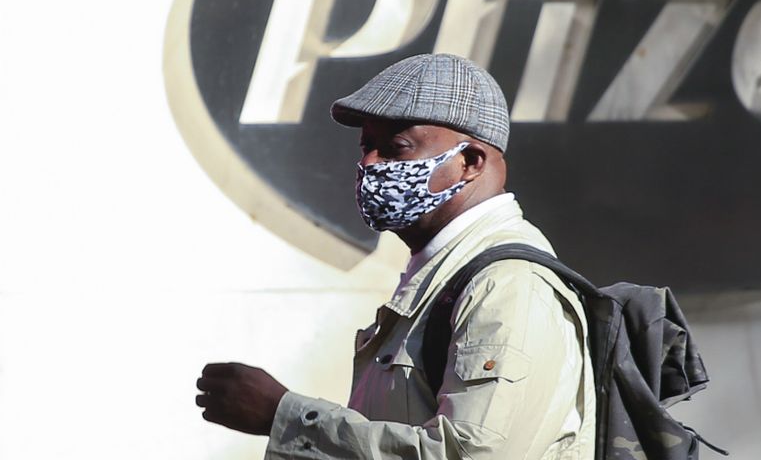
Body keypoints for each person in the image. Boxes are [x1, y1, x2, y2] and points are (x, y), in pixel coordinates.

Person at [196, 53, 594, 459]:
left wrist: (284, 417)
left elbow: (472, 455)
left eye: (395, 148)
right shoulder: (445, 275)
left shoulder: (509, 284)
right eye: (367, 145)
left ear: (470, 163)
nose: (370, 163)